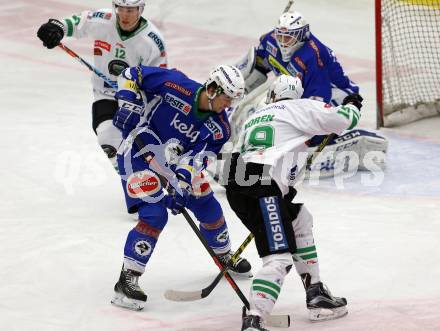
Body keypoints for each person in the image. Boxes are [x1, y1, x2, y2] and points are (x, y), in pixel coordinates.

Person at [223, 75, 363, 330]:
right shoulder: (299, 106)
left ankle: (317, 293)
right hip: (262, 184)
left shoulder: (257, 114)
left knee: (299, 218)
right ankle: (255, 319)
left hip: (236, 182)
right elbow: (344, 119)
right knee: (278, 259)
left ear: (273, 95)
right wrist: (353, 103)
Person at [110, 64, 252, 311]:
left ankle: (224, 256)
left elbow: (197, 160)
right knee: (155, 215)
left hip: (174, 163)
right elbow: (132, 74)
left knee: (208, 206)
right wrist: (128, 103)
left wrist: (182, 184)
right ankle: (127, 279)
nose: (228, 105)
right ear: (212, 88)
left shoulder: (220, 129)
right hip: (136, 152)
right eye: (226, 97)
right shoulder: (175, 84)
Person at [232, 11, 387, 176]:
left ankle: (348, 140)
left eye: (288, 37)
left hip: (338, 96)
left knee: (304, 129)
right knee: (264, 112)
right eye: (280, 36)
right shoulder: (271, 40)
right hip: (298, 92)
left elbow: (316, 105)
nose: (283, 42)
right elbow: (258, 63)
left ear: (302, 36)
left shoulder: (313, 57)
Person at [37, 0, 167, 170]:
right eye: (121, 8)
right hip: (105, 93)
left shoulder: (152, 41)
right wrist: (57, 28)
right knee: (108, 138)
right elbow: (75, 23)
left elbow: (158, 81)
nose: (125, 15)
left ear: (140, 10)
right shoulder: (103, 19)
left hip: (136, 100)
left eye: (131, 10)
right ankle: (135, 181)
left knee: (151, 146)